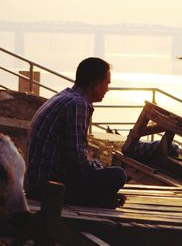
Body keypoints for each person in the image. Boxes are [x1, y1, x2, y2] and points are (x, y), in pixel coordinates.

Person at [26, 57, 127, 208]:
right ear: (95, 84)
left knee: (104, 173)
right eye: (106, 83)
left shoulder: (65, 96)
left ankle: (100, 198)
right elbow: (77, 162)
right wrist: (98, 170)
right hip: (48, 188)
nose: (107, 88)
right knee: (118, 175)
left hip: (36, 182)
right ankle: (99, 199)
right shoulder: (77, 105)